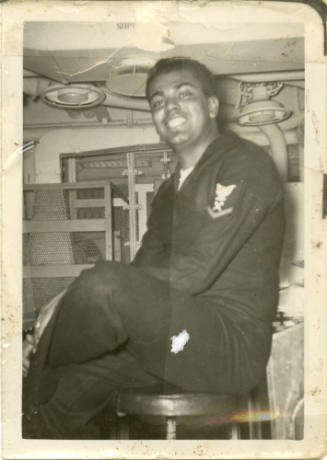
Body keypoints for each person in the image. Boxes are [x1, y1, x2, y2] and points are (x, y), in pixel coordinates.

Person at [23, 57, 285, 439]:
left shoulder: (244, 163)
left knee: (102, 284)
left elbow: (191, 273)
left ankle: (28, 362)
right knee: (54, 400)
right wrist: (77, 296)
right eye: (158, 101)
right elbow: (141, 272)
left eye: (184, 94)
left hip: (229, 347)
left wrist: (68, 302)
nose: (170, 107)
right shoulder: (166, 193)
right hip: (172, 338)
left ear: (212, 106)